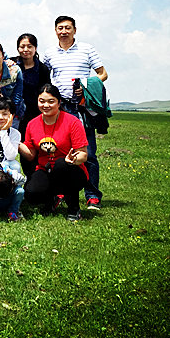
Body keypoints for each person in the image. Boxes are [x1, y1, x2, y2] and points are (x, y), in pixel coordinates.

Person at [42, 16, 108, 210]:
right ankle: (60, 193)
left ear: (75, 30)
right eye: (60, 28)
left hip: (82, 107)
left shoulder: (87, 49)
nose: (63, 31)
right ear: (55, 31)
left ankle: (92, 196)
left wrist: (86, 86)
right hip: (60, 107)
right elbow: (43, 74)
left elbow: (103, 74)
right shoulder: (49, 53)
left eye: (67, 28)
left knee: (88, 152)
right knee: (60, 151)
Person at [18, 84, 89, 221]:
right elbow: (31, 155)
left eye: (51, 101)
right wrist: (15, 142)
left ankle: (74, 208)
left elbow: (83, 155)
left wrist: (73, 160)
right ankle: (51, 200)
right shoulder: (32, 124)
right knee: (32, 194)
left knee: (61, 165)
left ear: (59, 102)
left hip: (71, 170)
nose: (46, 105)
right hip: (46, 169)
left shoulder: (72, 122)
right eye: (42, 101)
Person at [12, 32, 51, 178]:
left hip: (36, 114)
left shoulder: (42, 69)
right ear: (18, 48)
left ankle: (39, 177)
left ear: (35, 48)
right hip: (17, 114)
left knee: (37, 147)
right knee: (23, 147)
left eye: (29, 46)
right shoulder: (12, 64)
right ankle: (29, 178)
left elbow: (46, 91)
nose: (25, 50)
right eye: (22, 46)